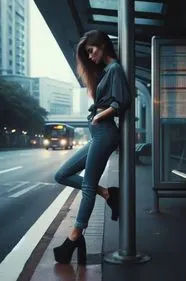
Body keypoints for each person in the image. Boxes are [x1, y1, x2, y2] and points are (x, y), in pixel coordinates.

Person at [53, 29, 131, 265]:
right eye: (87, 53)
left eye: (92, 50)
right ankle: (108, 193)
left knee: (87, 187)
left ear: (103, 45)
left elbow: (122, 102)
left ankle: (75, 236)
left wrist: (99, 117)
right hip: (98, 134)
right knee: (62, 174)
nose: (91, 56)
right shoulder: (106, 71)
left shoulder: (115, 68)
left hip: (104, 133)